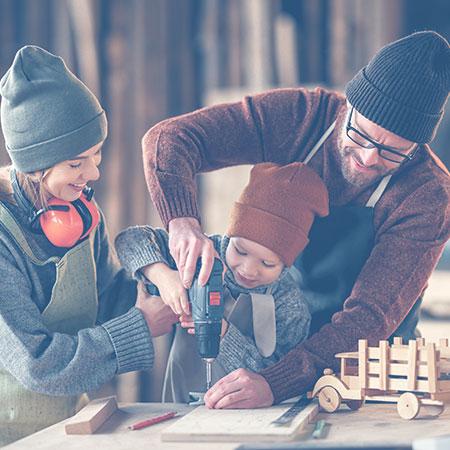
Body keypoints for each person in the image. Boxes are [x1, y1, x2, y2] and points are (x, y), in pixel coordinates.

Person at [140, 30, 450, 409]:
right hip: (276, 348)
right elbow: (170, 139)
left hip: (369, 378)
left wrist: (277, 382)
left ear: (418, 146)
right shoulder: (302, 117)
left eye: (391, 151)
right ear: (348, 106)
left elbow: (368, 318)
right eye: (361, 134)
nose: (369, 158)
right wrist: (182, 221)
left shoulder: (428, 195)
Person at [0, 46, 178, 445]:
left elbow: (105, 297)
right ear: (35, 165)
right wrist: (140, 327)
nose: (93, 173)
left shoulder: (80, 210)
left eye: (96, 155)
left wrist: (158, 285)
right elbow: (38, 365)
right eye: (77, 163)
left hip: (64, 428)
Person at [115, 162, 328, 403]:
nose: (248, 269)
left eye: (267, 264)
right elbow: (129, 240)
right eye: (240, 250)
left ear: (287, 264)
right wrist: (163, 276)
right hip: (179, 403)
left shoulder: (290, 304)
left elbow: (279, 376)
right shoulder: (204, 253)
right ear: (230, 235)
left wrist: (225, 336)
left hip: (251, 415)